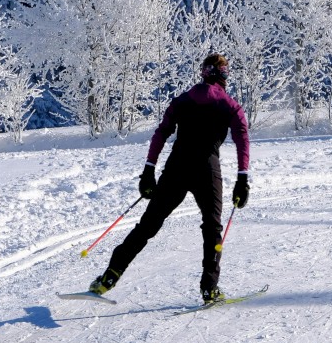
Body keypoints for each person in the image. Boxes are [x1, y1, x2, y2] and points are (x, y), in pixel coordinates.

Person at [90, 53, 251, 303]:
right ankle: (209, 288)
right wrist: (242, 178)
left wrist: (148, 171)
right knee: (212, 228)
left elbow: (161, 134)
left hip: (177, 167)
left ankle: (111, 274)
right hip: (207, 170)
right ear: (222, 75)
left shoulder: (182, 101)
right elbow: (242, 140)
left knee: (148, 224)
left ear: (203, 73)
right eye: (226, 71)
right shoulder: (230, 106)